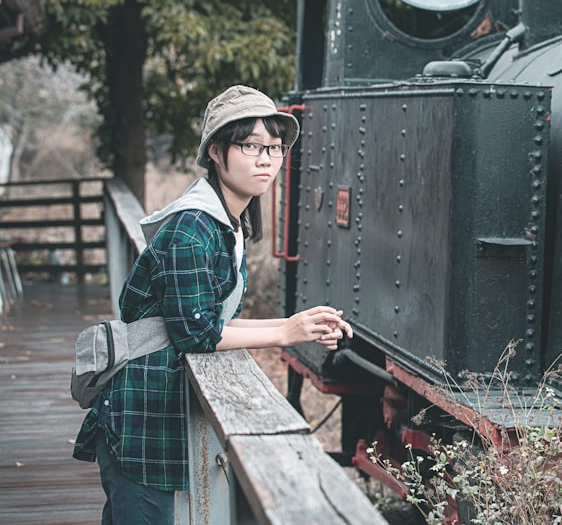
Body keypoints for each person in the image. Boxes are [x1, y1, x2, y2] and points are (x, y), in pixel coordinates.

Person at [72, 85, 353, 524]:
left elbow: (207, 318)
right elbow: (197, 334)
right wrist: (286, 332)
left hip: (160, 407)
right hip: (142, 415)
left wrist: (299, 323)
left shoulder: (227, 223)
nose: (266, 159)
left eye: (275, 148)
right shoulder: (192, 230)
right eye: (250, 145)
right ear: (217, 152)